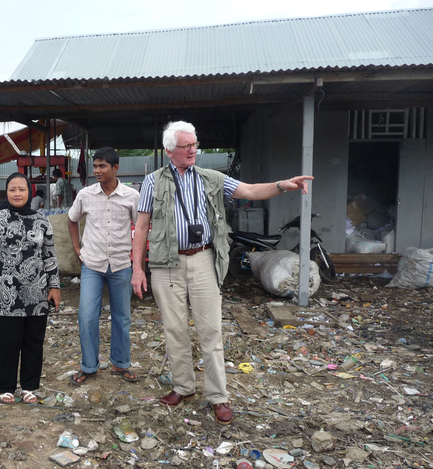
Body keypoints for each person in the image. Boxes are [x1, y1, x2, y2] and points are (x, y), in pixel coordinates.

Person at [131, 121, 313, 425]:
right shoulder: (152, 181)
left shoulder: (212, 178)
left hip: (203, 258)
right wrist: (138, 268)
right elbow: (142, 226)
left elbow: (251, 191)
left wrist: (283, 185)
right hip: (165, 263)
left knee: (210, 330)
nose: (193, 150)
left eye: (194, 144)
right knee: (174, 330)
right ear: (170, 151)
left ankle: (218, 396)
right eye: (186, 146)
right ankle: (183, 387)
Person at [0, 173, 61, 404]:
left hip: (37, 292)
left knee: (34, 340)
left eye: (22, 189)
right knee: (7, 342)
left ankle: (29, 387)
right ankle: (5, 386)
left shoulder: (41, 220)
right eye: (12, 189)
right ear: (6, 192)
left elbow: (49, 255)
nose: (17, 193)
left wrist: (54, 286)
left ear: (29, 192)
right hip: (5, 293)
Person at [68, 147, 140, 385]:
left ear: (115, 168)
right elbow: (71, 219)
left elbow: (140, 228)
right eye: (95, 166)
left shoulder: (131, 196)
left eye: (102, 166)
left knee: (122, 318)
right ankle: (89, 366)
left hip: (121, 264)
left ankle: (120, 364)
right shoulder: (85, 195)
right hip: (92, 264)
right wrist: (78, 248)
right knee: (87, 316)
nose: (97, 170)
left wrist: (137, 263)